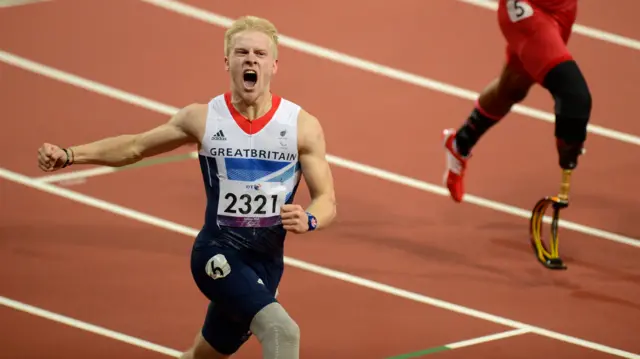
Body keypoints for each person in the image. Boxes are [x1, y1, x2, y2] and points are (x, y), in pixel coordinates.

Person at [37, 15, 337, 359]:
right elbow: (135, 146)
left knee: (204, 355)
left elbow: (326, 199)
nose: (250, 59)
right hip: (216, 254)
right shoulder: (203, 118)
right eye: (241, 52)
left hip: (266, 265)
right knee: (282, 331)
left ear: (274, 65)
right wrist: (71, 154)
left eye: (259, 53)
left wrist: (310, 219)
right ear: (227, 62)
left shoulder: (301, 126)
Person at [442, 0, 590, 202]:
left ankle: (460, 143)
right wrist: (570, 145)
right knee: (574, 96)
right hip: (527, 11)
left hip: (562, 7)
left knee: (513, 88)